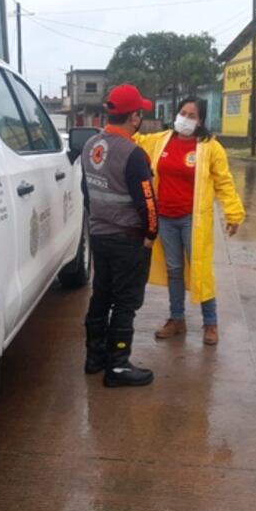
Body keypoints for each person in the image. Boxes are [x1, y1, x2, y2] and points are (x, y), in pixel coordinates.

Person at [134, 97, 245, 346]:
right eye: (182, 113)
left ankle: (210, 323)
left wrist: (233, 213)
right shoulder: (161, 140)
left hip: (192, 220)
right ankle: (176, 319)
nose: (185, 118)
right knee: (174, 270)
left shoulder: (210, 147)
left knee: (200, 269)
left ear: (201, 120)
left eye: (191, 115)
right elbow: (135, 141)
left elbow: (224, 182)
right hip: (165, 218)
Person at [81, 84, 159, 388]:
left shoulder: (90, 146)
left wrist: (98, 220)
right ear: (135, 117)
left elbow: (87, 190)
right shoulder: (133, 154)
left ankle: (94, 358)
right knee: (126, 302)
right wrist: (151, 234)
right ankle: (118, 366)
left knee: (101, 294)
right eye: (140, 112)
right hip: (128, 239)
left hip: (99, 236)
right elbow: (148, 201)